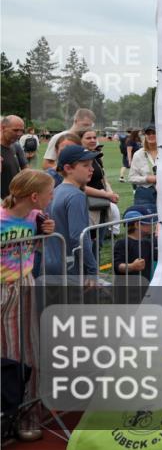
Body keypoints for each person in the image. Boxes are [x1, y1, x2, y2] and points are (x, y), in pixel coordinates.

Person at [1, 169, 55, 441]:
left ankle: (28, 414)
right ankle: (7, 414)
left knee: (31, 351)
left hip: (25, 285)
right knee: (7, 354)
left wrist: (45, 233)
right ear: (34, 196)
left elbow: (34, 248)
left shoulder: (36, 217)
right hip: (3, 291)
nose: (52, 197)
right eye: (49, 193)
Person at [45, 144, 100, 277]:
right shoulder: (76, 195)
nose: (92, 169)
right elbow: (79, 237)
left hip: (51, 262)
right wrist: (92, 269)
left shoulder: (56, 191)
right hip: (70, 266)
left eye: (92, 164)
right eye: (86, 165)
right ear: (68, 168)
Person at [81, 129, 122, 229]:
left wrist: (111, 193)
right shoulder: (80, 159)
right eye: (88, 138)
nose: (92, 140)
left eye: (94, 137)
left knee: (100, 233)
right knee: (91, 234)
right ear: (80, 140)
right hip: (88, 203)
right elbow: (80, 186)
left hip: (102, 200)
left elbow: (103, 178)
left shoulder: (96, 157)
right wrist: (107, 195)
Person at [113, 205, 158, 281]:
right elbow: (117, 266)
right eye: (148, 222)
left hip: (144, 287)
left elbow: (159, 256)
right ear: (137, 225)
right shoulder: (121, 243)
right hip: (126, 289)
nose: (152, 224)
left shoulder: (148, 243)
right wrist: (132, 266)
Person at [128, 125, 158, 209]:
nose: (151, 135)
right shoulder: (138, 154)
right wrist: (147, 179)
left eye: (154, 133)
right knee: (146, 221)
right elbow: (131, 177)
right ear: (145, 136)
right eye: (148, 133)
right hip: (145, 194)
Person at [1, 115, 25, 199]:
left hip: (15, 198)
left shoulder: (16, 146)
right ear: (3, 128)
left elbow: (25, 169)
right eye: (15, 130)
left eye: (22, 131)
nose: (19, 134)